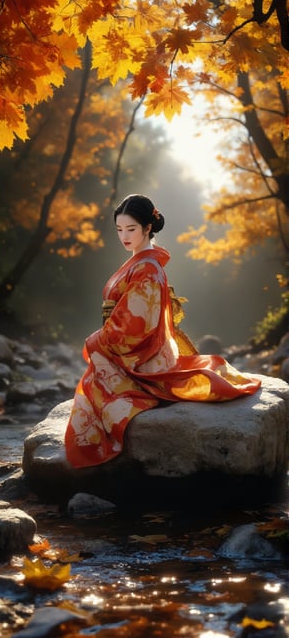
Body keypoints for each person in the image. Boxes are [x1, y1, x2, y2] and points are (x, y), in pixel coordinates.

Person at [65, 194, 261, 468]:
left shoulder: (147, 268)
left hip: (142, 354)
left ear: (148, 228)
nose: (124, 236)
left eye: (131, 229)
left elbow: (137, 323)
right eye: (119, 229)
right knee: (94, 383)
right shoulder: (138, 263)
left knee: (96, 388)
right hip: (125, 348)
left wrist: (98, 339)